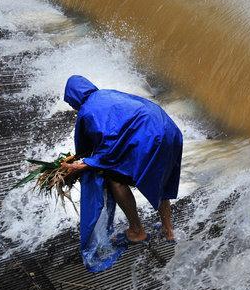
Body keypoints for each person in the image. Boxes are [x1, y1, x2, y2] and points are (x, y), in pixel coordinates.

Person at [61, 75, 182, 245]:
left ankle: (137, 231)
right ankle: (169, 231)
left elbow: (93, 151)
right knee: (161, 177)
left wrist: (84, 165)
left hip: (149, 135)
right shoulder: (107, 93)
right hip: (168, 128)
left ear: (74, 97)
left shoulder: (86, 112)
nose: (72, 106)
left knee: (115, 179)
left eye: (70, 101)